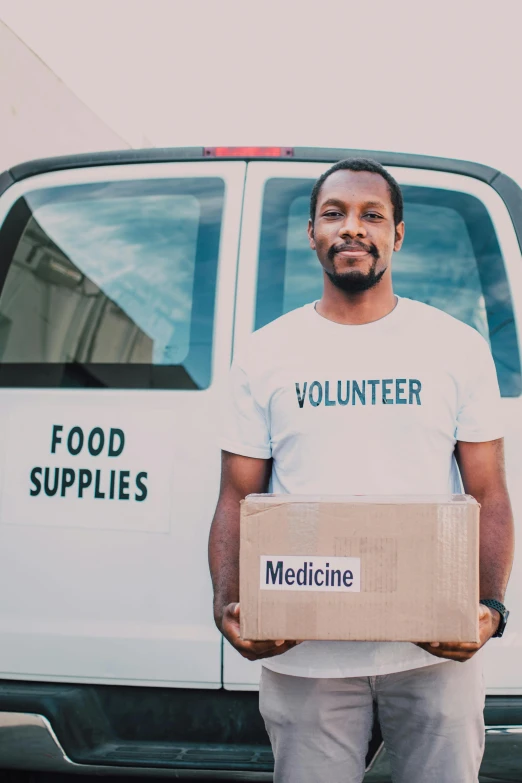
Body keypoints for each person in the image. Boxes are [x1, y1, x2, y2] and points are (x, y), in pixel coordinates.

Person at [208, 158, 514, 783]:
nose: (353, 228)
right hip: (303, 650)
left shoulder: (454, 347)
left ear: (397, 235)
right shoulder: (267, 353)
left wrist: (488, 608)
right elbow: (237, 494)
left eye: (372, 215)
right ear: (312, 233)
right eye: (334, 214)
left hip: (432, 648)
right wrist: (228, 606)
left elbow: (488, 491)